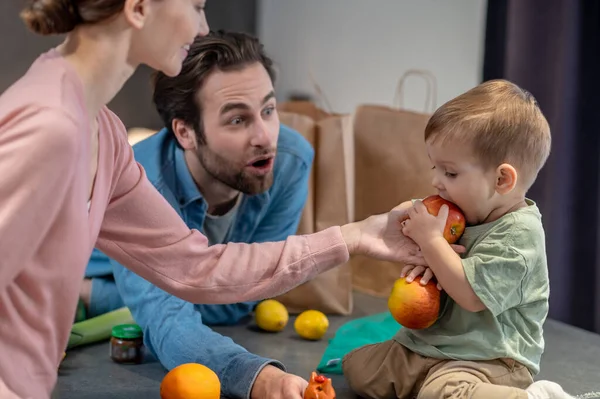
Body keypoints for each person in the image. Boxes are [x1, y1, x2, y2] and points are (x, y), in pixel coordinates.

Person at [0, 1, 434, 398]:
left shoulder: (104, 132)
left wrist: (355, 236)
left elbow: (195, 267)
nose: (203, 24)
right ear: (139, 8)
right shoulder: (51, 126)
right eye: (195, 5)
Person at [79, 30, 319, 399]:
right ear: (185, 132)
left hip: (112, 295)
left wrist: (102, 298)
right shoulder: (138, 184)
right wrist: (259, 379)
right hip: (80, 271)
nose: (265, 137)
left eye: (268, 110)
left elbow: (248, 294)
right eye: (237, 120)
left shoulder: (290, 160)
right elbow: (168, 320)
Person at [342, 80, 575, 399]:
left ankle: (535, 396)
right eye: (434, 167)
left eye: (450, 173)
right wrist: (423, 262)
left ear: (502, 179)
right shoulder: (462, 213)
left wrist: (432, 243)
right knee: (359, 369)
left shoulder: (519, 234)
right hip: (433, 345)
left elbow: (470, 295)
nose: (435, 181)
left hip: (488, 358)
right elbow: (441, 268)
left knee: (442, 393)